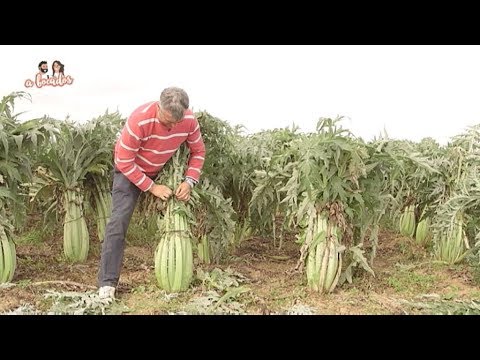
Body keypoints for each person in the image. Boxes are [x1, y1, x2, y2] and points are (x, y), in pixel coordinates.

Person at [98, 87, 206, 300]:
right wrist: (152, 187)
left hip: (163, 169)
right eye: (167, 122)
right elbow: (123, 161)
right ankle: (107, 283)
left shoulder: (189, 121)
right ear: (158, 107)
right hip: (131, 172)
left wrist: (189, 181)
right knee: (118, 222)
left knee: (180, 214)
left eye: (177, 122)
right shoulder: (139, 120)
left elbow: (198, 151)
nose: (172, 127)